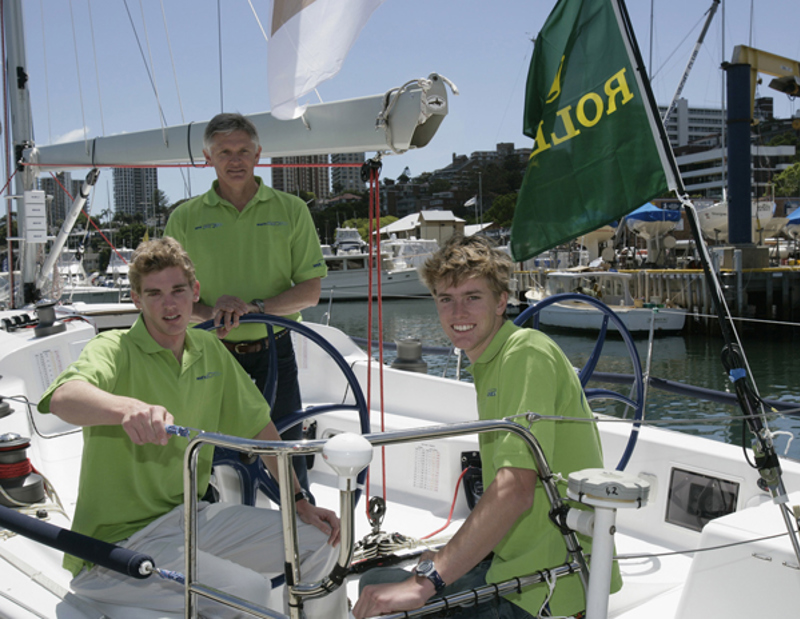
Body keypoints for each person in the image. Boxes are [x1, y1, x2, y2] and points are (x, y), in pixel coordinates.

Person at [38, 238, 346, 618]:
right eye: (154, 293)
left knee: (321, 540)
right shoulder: (112, 348)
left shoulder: (210, 349)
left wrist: (299, 501)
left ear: (195, 292)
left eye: (178, 290)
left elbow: (259, 429)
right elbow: (64, 397)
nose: (169, 304)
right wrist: (126, 409)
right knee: (247, 590)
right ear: (136, 299)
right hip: (115, 547)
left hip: (191, 518)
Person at [353, 235, 621, 619]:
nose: (457, 310)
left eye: (472, 296)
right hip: (517, 563)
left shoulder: (525, 354)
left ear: (500, 302)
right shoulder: (492, 360)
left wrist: (426, 580)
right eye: (446, 298)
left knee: (383, 600)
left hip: (548, 587)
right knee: (373, 585)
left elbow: (514, 492)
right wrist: (443, 560)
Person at [164, 112, 327, 499]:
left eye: (242, 151)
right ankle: (206, 533)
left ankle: (302, 532)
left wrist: (254, 308)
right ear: (208, 157)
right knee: (200, 452)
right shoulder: (185, 218)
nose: (234, 160)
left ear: (258, 154)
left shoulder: (291, 210)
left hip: (275, 353)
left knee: (288, 450)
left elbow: (310, 291)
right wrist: (213, 313)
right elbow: (171, 294)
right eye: (224, 152)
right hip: (208, 352)